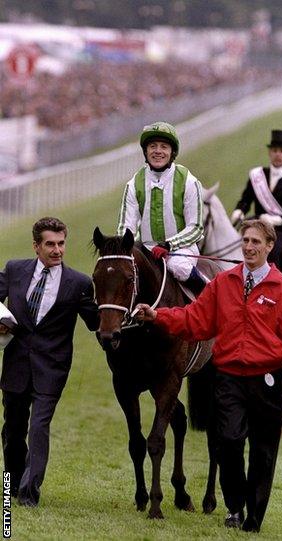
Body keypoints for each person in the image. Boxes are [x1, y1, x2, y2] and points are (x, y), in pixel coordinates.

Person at [136, 219, 282, 532]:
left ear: (270, 247)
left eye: (256, 242)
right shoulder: (223, 283)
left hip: (267, 381)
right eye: (245, 240)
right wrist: (158, 315)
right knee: (229, 443)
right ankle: (234, 506)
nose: (248, 247)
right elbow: (194, 320)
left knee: (263, 453)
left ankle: (254, 518)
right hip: (229, 379)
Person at [0, 217, 99, 507]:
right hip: (16, 364)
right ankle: (13, 483)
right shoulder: (15, 270)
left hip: (52, 369)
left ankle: (30, 493)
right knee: (13, 429)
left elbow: (96, 322)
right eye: (50, 244)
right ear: (36, 246)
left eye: (61, 243)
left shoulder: (80, 283)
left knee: (39, 427)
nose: (57, 250)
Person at [117, 121, 205, 294]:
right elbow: (125, 227)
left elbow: (196, 228)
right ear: (146, 151)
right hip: (146, 251)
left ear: (172, 152)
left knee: (178, 267)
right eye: (152, 146)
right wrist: (125, 249)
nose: (158, 151)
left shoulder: (189, 181)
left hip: (181, 250)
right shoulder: (133, 184)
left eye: (164, 146)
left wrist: (169, 245)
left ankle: (209, 296)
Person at [231, 129, 282, 302]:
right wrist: (239, 211)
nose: (278, 155)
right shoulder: (257, 176)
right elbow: (246, 199)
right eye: (275, 150)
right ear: (270, 152)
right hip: (257, 227)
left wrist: (275, 220)